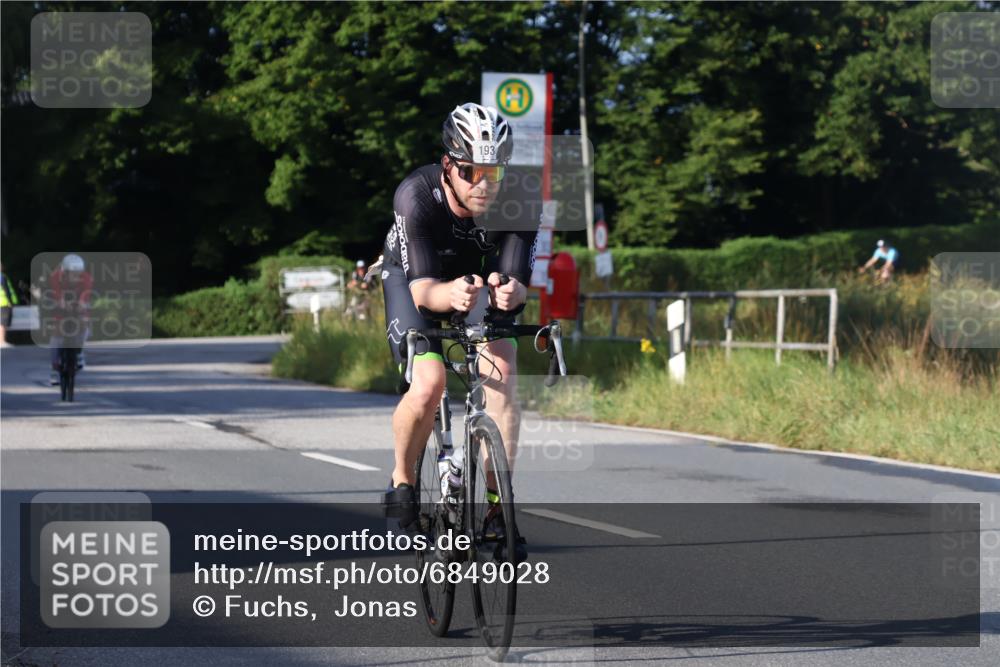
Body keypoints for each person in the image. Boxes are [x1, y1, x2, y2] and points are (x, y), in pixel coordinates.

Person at [380, 103, 535, 556]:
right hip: (415, 280)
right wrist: (451, 295)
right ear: (448, 166)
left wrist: (511, 293)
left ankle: (495, 505)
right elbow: (426, 292)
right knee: (430, 384)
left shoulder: (520, 196)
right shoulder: (416, 194)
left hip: (473, 285)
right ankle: (403, 479)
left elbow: (515, 277)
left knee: (502, 372)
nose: (484, 185)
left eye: (495, 173)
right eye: (471, 172)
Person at [47, 254, 93, 385]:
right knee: (56, 331)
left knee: (84, 323)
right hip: (61, 303)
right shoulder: (55, 277)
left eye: (79, 273)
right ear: (64, 272)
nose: (77, 277)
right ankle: (55, 367)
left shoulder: (87, 278)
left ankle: (78, 352)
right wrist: (61, 303)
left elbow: (85, 295)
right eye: (73, 274)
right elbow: (57, 294)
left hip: (78, 303)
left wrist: (81, 305)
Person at [1, 263, 20, 347]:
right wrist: (10, 301)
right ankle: (2, 341)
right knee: (2, 323)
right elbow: (6, 289)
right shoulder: (2, 276)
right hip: (4, 303)